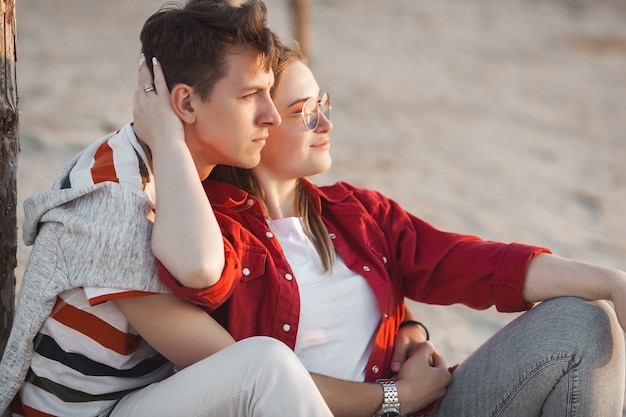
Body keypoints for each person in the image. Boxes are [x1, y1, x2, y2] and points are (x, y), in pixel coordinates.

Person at [141, 42, 626, 416]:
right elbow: (257, 381)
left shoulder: (358, 212)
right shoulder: (217, 233)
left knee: (583, 322)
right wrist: (394, 396)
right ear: (259, 123)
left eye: (324, 103)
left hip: (428, 406)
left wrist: (610, 281)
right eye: (305, 111)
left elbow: (471, 263)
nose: (325, 122)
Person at [0, 2, 336, 416]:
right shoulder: (115, 203)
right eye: (250, 95)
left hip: (141, 398)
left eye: (269, 93)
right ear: (186, 105)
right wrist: (391, 399)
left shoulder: (181, 165)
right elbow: (212, 334)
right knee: (266, 369)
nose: (270, 116)